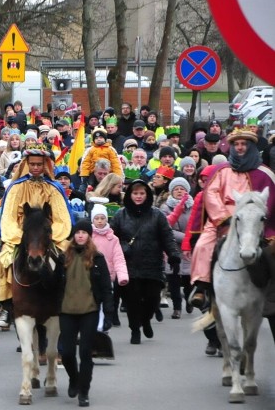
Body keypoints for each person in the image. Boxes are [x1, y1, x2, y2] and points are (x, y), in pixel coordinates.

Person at [187, 126, 275, 309]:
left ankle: (270, 292)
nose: (240, 147)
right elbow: (210, 194)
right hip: (222, 220)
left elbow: (271, 200)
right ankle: (202, 287)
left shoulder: (264, 173)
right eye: (236, 144)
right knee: (204, 245)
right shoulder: (221, 171)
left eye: (244, 144)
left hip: (253, 221)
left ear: (250, 147)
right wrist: (223, 217)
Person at [0, 143, 74, 327]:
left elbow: (62, 217)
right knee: (3, 260)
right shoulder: (15, 188)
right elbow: (9, 216)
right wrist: (20, 236)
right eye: (33, 164)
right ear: (26, 165)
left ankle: (71, 299)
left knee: (71, 257)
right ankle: (6, 306)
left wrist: (50, 235)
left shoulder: (54, 188)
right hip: (21, 234)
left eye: (39, 164)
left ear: (45, 165)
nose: (36, 168)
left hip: (49, 234)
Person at [110, 180, 181, 344]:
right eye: (135, 193)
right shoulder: (121, 214)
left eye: (142, 193)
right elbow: (112, 237)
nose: (138, 196)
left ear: (147, 195)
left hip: (152, 265)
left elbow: (167, 237)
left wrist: (173, 255)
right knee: (132, 301)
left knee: (152, 299)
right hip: (129, 265)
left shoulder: (157, 215)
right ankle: (135, 330)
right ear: (129, 195)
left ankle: (146, 320)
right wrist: (123, 247)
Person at [59, 219, 114, 408]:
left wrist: (108, 313)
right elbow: (54, 284)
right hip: (66, 311)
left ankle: (84, 391)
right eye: (77, 232)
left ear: (89, 235)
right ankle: (74, 378)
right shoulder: (63, 257)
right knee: (66, 352)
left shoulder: (97, 258)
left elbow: (107, 288)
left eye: (84, 232)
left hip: (89, 311)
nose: (80, 235)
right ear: (73, 235)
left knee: (85, 353)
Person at [160, 177, 194, 319]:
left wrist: (190, 239)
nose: (179, 191)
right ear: (171, 192)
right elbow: (166, 229)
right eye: (176, 189)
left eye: (182, 189)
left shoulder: (194, 206)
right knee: (173, 280)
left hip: (189, 249)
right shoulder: (165, 208)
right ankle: (177, 308)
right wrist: (185, 236)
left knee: (189, 280)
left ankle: (189, 300)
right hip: (172, 248)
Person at [90, 204, 128, 328]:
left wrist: (122, 276)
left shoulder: (113, 239)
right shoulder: (88, 237)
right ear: (92, 220)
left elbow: (118, 258)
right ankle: (92, 328)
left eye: (102, 218)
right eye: (97, 218)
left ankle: (103, 327)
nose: (100, 221)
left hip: (108, 277)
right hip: (90, 277)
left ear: (107, 219)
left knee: (106, 302)